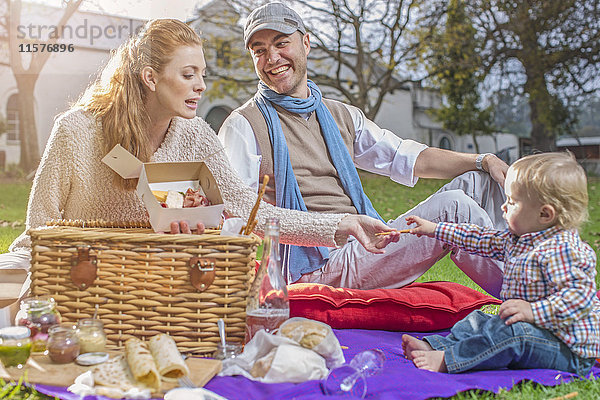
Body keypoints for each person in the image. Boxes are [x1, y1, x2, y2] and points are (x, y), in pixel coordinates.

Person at [0, 18, 399, 326]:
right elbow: (40, 229)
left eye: (202, 74)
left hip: (143, 278)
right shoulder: (77, 130)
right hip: (68, 266)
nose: (201, 86)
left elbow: (250, 210)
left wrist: (340, 224)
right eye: (188, 75)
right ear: (151, 78)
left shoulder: (196, 135)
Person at [218, 2, 509, 293]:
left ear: (306, 44)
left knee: (479, 180)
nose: (272, 58)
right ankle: (530, 296)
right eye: (259, 51)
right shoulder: (243, 125)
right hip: (316, 266)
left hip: (365, 245)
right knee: (454, 208)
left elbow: (406, 157)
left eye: (282, 43)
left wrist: (483, 159)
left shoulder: (340, 114)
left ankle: (535, 264)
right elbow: (239, 214)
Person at [402, 152, 599, 376]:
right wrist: (435, 229)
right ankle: (438, 347)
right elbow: (478, 238)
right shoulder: (519, 239)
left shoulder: (563, 250)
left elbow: (578, 301)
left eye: (512, 202)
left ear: (545, 214)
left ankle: (450, 360)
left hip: (567, 349)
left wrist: (534, 311)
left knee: (515, 333)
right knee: (479, 321)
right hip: (534, 329)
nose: (504, 207)